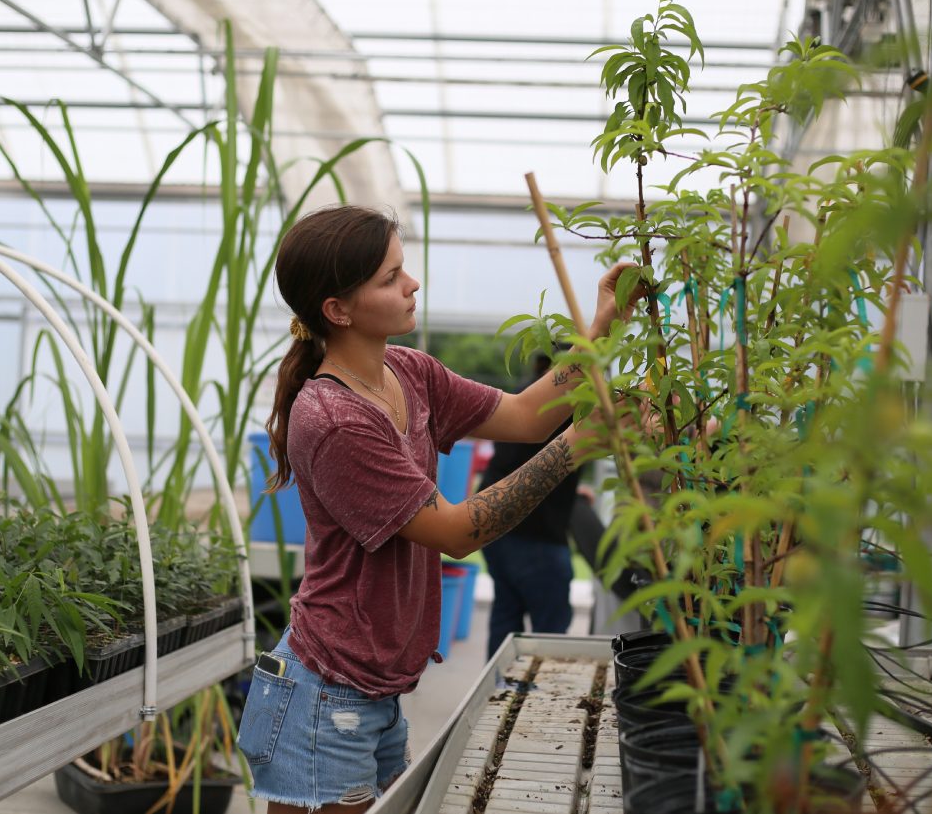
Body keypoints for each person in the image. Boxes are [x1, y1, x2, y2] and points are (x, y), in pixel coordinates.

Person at [237, 205, 640, 813]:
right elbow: (454, 532)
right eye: (389, 277)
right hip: (325, 697)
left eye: (404, 268)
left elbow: (526, 414)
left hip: (374, 690)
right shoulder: (334, 420)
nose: (412, 283)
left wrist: (604, 325)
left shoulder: (410, 371)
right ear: (337, 310)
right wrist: (577, 446)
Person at [477, 353, 584, 658]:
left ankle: (496, 695)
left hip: (496, 529)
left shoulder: (522, 394)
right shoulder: (562, 404)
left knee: (506, 619)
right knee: (550, 633)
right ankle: (536, 701)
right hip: (536, 534)